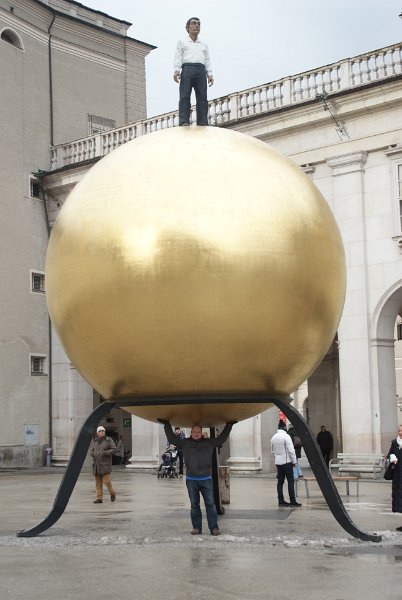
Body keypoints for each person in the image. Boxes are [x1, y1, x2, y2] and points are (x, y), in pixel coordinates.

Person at [159, 419, 235, 535]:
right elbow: (172, 439)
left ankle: (214, 528)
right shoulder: (185, 443)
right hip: (191, 480)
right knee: (194, 505)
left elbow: (221, 439)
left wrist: (229, 426)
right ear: (191, 432)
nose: (196, 433)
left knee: (210, 505)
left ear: (201, 432)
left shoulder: (209, 443)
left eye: (198, 431)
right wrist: (167, 425)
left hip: (206, 479)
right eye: (194, 431)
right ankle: (196, 528)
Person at [173, 17, 213, 126]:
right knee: (185, 95)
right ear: (187, 27)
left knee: (202, 97)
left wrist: (210, 74)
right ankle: (184, 121)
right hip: (187, 69)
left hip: (201, 70)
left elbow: (207, 59)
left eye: (199, 24)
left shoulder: (203, 44)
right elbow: (178, 56)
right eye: (194, 23)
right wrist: (177, 70)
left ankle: (203, 121)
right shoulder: (182, 42)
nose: (197, 26)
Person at [271, 420, 302, 507]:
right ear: (284, 428)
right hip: (286, 462)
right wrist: (294, 461)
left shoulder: (273, 437)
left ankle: (281, 501)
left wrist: (276, 459)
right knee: (290, 481)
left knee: (280, 482)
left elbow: (272, 451)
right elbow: (291, 451)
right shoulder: (286, 436)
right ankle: (292, 501)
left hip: (278, 462)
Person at [89, 425, 117, 503]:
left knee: (106, 481)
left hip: (105, 465)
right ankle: (99, 498)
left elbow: (114, 449)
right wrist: (93, 454)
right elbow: (91, 450)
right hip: (97, 465)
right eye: (100, 431)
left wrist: (106, 453)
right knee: (98, 483)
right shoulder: (95, 441)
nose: (102, 432)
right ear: (97, 433)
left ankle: (112, 493)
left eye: (103, 431)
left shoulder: (108, 440)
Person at [386, 424, 402, 532]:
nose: (400, 433)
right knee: (400, 500)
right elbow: (388, 455)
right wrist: (392, 458)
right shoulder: (395, 443)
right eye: (399, 431)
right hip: (398, 476)